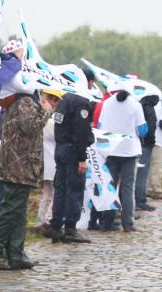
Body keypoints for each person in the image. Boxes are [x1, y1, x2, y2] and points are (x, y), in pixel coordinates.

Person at [0, 90, 56, 270]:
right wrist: (46, 111)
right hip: (18, 166)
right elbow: (30, 126)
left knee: (18, 214)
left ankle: (16, 253)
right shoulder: (25, 101)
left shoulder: (22, 101)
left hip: (19, 166)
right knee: (9, 212)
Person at [43, 86, 95, 243]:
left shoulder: (64, 100)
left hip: (60, 149)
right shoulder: (81, 102)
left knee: (60, 189)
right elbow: (81, 132)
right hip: (72, 151)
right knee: (75, 189)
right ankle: (70, 228)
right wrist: (82, 158)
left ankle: (56, 226)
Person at [96, 84, 147, 232]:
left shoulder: (107, 103)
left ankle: (107, 222)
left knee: (110, 186)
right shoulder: (135, 105)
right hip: (129, 152)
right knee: (127, 187)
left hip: (111, 150)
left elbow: (100, 125)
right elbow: (142, 130)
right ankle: (127, 223)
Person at [134, 93, 159, 211]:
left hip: (137, 143)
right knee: (142, 174)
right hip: (146, 145)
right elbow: (151, 128)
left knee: (136, 174)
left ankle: (136, 200)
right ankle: (140, 201)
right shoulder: (149, 109)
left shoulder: (139, 105)